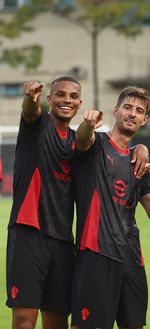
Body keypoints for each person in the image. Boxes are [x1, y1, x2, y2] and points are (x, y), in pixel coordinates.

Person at [70, 86, 150, 329]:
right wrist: (88, 123)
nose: (132, 113)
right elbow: (82, 140)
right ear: (116, 111)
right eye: (127, 107)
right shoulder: (96, 144)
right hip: (96, 254)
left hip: (132, 259)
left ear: (145, 120)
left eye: (139, 110)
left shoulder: (140, 161)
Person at [5, 77, 82, 329]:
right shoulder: (38, 124)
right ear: (50, 99)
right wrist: (30, 98)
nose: (66, 100)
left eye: (72, 96)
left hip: (62, 240)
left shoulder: (79, 142)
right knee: (25, 320)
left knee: (58, 319)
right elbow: (30, 111)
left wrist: (141, 149)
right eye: (60, 94)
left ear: (79, 103)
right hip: (29, 232)